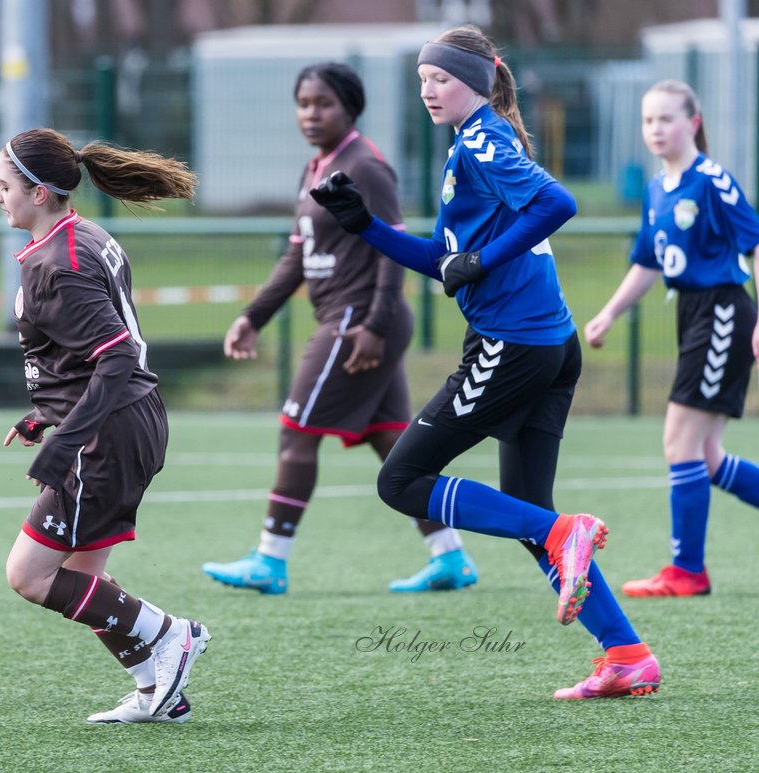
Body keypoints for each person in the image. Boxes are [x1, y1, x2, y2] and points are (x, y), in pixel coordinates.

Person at [311, 26, 660, 699]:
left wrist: (482, 259)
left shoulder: (482, 137)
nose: (427, 91)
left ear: (474, 78)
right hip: (545, 347)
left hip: (513, 346)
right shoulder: (476, 142)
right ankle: (625, 653)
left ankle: (567, 533)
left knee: (401, 480)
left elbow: (559, 205)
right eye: (420, 81)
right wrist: (366, 228)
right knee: (526, 512)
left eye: (438, 78)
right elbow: (447, 267)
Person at [200, 62, 477, 596]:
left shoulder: (366, 167)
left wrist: (374, 322)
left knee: (296, 432)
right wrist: (251, 317)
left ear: (350, 108)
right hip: (350, 317)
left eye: (322, 103)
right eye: (303, 103)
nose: (310, 113)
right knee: (389, 440)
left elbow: (392, 250)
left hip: (358, 319)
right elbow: (295, 260)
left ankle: (269, 559)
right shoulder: (314, 170)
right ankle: (451, 557)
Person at [0, 128, 209, 724]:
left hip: (103, 436)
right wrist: (47, 412)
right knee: (85, 578)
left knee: (30, 575)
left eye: (3, 185)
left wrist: (64, 440)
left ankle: (171, 636)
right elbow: (86, 353)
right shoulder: (84, 236)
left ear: (39, 194)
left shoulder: (56, 265)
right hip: (124, 421)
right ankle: (154, 690)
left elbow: (115, 358)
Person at [585, 80, 759, 597]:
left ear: (694, 122)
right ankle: (687, 570)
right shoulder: (657, 189)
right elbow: (647, 262)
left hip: (724, 310)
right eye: (648, 120)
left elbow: (754, 246)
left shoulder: (711, 180)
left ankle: (688, 572)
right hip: (691, 312)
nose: (656, 129)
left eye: (667, 119)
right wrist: (609, 314)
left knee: (679, 442)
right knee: (704, 457)